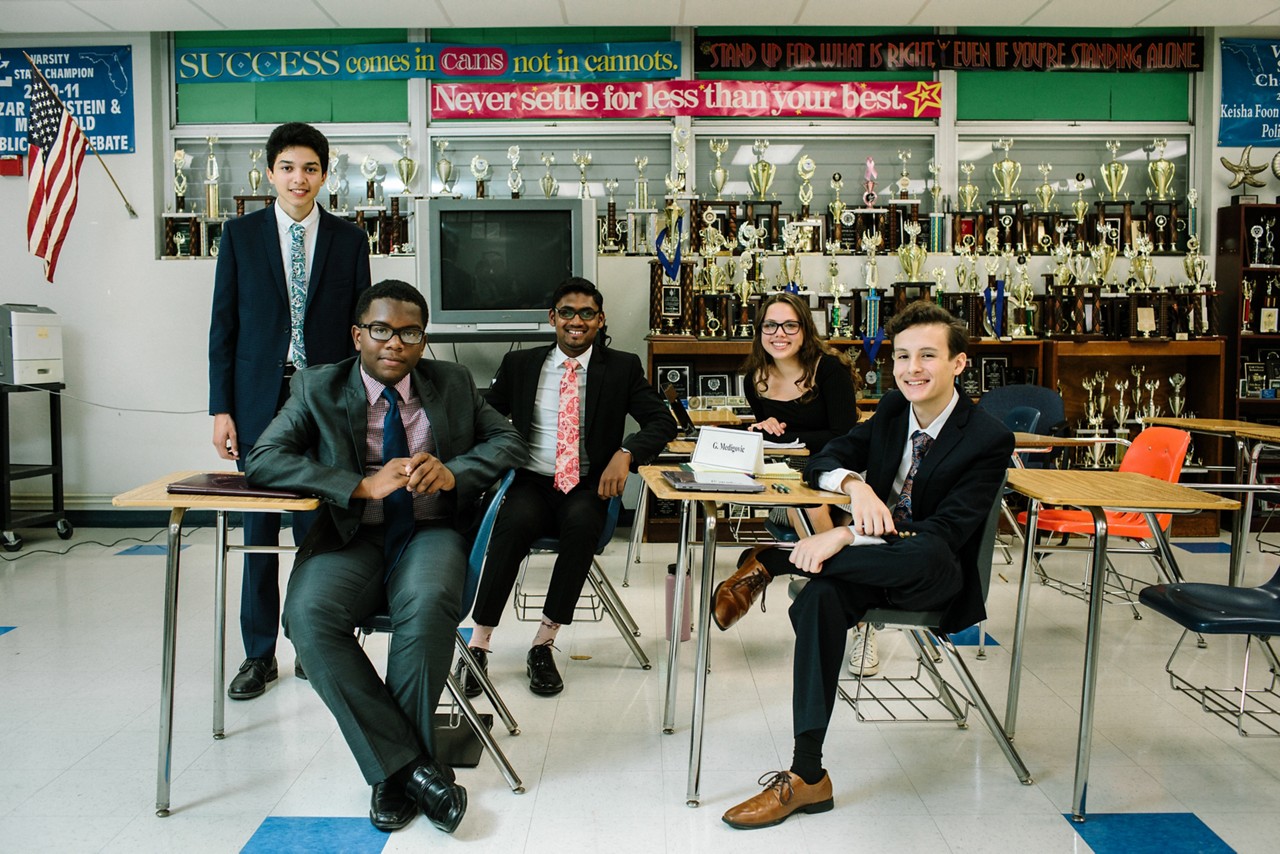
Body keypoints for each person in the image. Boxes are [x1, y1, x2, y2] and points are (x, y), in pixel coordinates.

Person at [713, 299, 1013, 829]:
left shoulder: (987, 436)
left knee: (924, 551)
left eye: (927, 356)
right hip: (865, 567)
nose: (912, 369)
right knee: (820, 600)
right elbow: (824, 460)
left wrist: (845, 533)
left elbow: (947, 533)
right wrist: (857, 487)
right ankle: (808, 777)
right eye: (901, 357)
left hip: (928, 571)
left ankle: (774, 562)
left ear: (958, 364)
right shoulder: (895, 410)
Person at [244, 280, 526, 834]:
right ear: (357, 336)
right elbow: (264, 458)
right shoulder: (316, 387)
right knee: (306, 616)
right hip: (353, 535)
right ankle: (412, 768)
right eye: (380, 330)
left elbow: (507, 442)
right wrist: (358, 486)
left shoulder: (452, 382)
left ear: (423, 341)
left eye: (409, 332)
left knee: (424, 609)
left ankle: (389, 776)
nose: (394, 343)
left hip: (430, 531)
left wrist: (454, 472)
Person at [208, 121, 371, 700]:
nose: (298, 179)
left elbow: (362, 333)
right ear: (270, 172)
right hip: (259, 398)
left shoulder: (350, 240)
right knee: (259, 527)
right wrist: (221, 408)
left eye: (310, 168)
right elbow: (223, 327)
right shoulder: (241, 235)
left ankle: (310, 641)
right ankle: (258, 655)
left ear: (324, 175)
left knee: (318, 526)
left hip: (325, 398)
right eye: (287, 168)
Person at [467, 277, 677, 696]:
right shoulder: (521, 365)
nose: (575, 321)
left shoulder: (622, 367)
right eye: (567, 312)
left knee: (582, 527)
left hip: (587, 485)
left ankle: (543, 645)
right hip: (532, 480)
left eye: (586, 314)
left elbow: (662, 422)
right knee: (511, 526)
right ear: (553, 318)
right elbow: (483, 416)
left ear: (600, 321)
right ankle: (478, 645)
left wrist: (627, 453)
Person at [739, 293, 880, 675]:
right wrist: (762, 428)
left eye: (789, 325)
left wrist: (789, 438)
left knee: (812, 503)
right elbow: (770, 439)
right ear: (760, 331)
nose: (779, 333)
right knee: (803, 502)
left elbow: (844, 435)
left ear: (805, 330)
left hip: (836, 476)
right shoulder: (755, 379)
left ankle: (839, 597)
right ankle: (850, 601)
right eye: (770, 325)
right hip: (785, 482)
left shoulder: (828, 370)